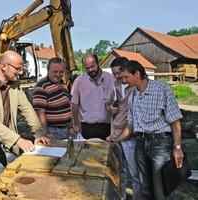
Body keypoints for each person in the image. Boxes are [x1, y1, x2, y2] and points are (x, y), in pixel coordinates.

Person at [109, 60, 184, 199]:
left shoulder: (161, 88)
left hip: (160, 143)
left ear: (137, 74)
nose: (123, 81)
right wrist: (116, 139)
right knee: (145, 188)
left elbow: (175, 121)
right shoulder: (133, 96)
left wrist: (177, 147)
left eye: (126, 77)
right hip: (140, 143)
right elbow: (130, 127)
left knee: (161, 188)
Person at [0, 50, 53, 174]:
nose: (21, 72)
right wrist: (18, 140)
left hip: (3, 145)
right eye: (18, 68)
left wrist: (39, 133)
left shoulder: (14, 84)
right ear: (3, 66)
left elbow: (27, 109)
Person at [105, 57, 141, 200]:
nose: (117, 77)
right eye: (114, 74)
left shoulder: (135, 85)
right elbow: (107, 102)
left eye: (119, 73)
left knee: (135, 173)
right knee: (118, 171)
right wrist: (110, 107)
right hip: (115, 132)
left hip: (131, 134)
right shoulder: (114, 84)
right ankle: (122, 197)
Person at [71, 53, 114, 140]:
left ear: (98, 63)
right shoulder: (79, 81)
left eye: (92, 66)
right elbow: (74, 104)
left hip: (106, 126)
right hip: (87, 127)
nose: (90, 70)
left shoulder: (110, 79)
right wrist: (75, 124)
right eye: (87, 68)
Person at [33, 57, 74, 140]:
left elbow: (67, 107)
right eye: (55, 71)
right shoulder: (41, 86)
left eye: (61, 72)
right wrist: (46, 133)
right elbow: (40, 113)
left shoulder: (63, 84)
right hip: (53, 132)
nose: (58, 74)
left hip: (65, 130)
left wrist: (70, 127)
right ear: (48, 70)